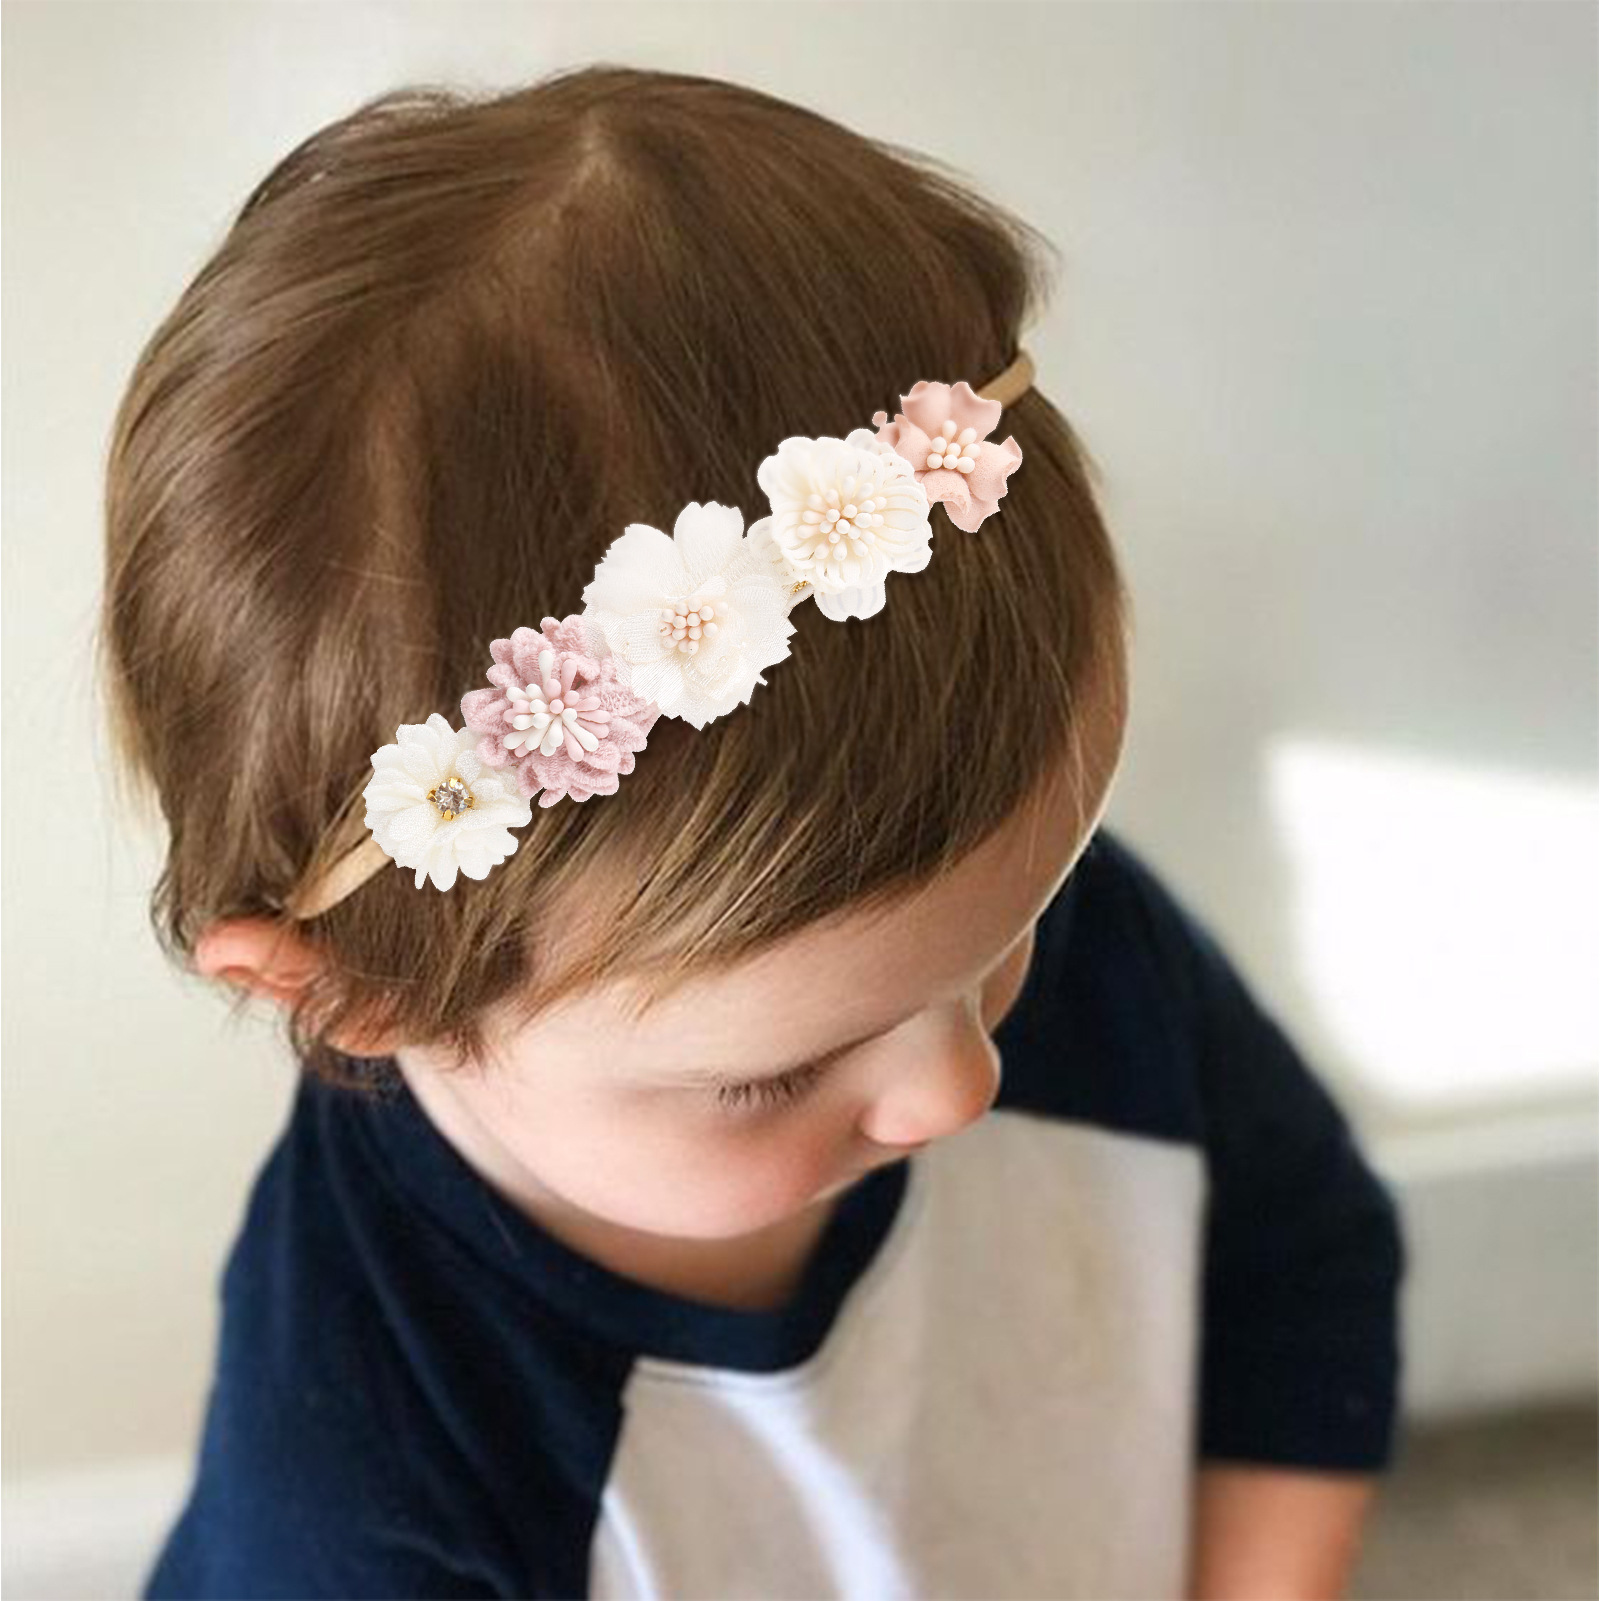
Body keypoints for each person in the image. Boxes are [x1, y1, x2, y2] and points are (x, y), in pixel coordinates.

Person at [103, 64, 1405, 1600]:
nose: (958, 1084)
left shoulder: (1036, 941)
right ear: (352, 993)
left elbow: (1299, 1269)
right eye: (770, 1075)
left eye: (1014, 926)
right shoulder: (356, 1498)